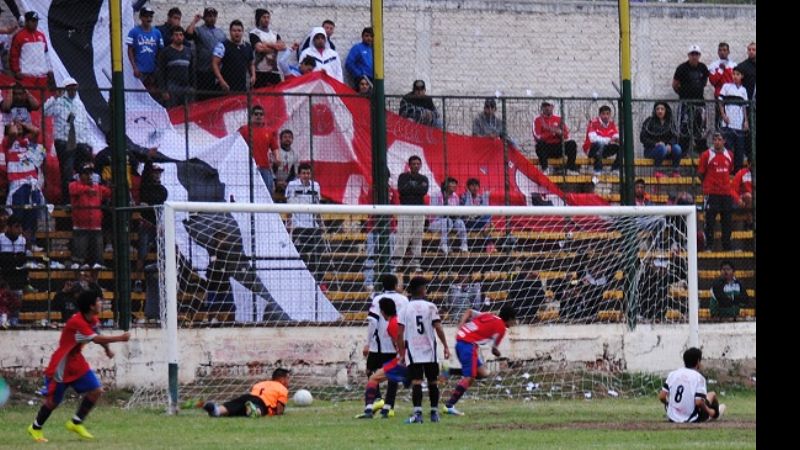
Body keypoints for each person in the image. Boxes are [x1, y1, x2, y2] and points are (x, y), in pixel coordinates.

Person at [27, 289, 131, 442]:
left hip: (76, 361)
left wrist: (108, 350)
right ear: (91, 306)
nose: (101, 303)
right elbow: (96, 339)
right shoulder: (77, 322)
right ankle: (35, 428)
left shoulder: (93, 320)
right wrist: (121, 338)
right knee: (53, 402)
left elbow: (97, 336)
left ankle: (76, 422)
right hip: (62, 364)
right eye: (98, 301)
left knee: (96, 390)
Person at [443, 305, 517, 416]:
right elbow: (494, 349)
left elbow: (468, 311)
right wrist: (498, 353)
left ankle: (449, 371)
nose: (514, 323)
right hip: (469, 345)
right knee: (469, 377)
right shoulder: (501, 328)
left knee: (483, 373)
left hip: (461, 341)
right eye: (514, 320)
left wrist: (460, 326)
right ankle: (449, 406)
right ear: (510, 319)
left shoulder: (489, 315)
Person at [396, 277, 450, 424]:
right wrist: (445, 345)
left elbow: (399, 333)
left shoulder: (405, 308)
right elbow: (438, 327)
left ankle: (418, 414)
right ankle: (434, 413)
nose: (426, 290)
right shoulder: (430, 306)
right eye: (425, 287)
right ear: (420, 289)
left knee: (417, 382)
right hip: (430, 350)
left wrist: (402, 352)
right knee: (433, 382)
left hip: (413, 350)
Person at [359, 273, 409, 418]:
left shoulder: (378, 299)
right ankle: (389, 406)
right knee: (393, 375)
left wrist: (368, 343)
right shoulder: (404, 300)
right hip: (396, 345)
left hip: (378, 345)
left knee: (370, 371)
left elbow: (373, 322)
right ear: (396, 285)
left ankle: (378, 399)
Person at [43, 77, 93, 201]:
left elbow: (84, 124)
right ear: (64, 89)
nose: (72, 91)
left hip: (80, 141)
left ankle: (83, 197)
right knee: (67, 171)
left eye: (74, 88)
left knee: (84, 169)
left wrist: (88, 142)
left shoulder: (79, 103)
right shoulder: (57, 101)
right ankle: (67, 200)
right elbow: (45, 112)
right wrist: (54, 97)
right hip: (64, 141)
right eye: (69, 88)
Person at [658, 347, 725, 423]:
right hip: (692, 418)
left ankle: (714, 412)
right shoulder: (699, 378)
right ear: (698, 362)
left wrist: (670, 405)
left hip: (672, 417)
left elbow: (662, 396)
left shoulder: (673, 374)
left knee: (708, 396)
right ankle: (715, 414)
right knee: (712, 394)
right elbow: (698, 402)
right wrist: (709, 411)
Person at [69, 163, 112, 270]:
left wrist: (109, 183)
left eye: (90, 173)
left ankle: (96, 270)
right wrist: (87, 189)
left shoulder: (97, 187)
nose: (89, 176)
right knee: (79, 257)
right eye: (86, 174)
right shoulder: (74, 185)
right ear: (80, 175)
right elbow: (72, 189)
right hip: (80, 226)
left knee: (97, 255)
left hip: (95, 226)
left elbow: (109, 192)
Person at [286, 163, 325, 276]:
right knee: (300, 252)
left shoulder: (316, 186)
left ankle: (316, 276)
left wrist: (321, 223)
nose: (306, 175)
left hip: (313, 226)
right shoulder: (292, 185)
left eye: (308, 173)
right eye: (303, 173)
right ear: (299, 175)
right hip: (299, 226)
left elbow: (317, 207)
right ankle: (303, 276)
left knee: (319, 250)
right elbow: (288, 205)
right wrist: (289, 223)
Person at [202, 368, 290, 418]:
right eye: (287, 379)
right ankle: (255, 410)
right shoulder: (282, 389)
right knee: (260, 408)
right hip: (261, 402)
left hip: (248, 396)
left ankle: (215, 410)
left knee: (232, 406)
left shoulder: (260, 383)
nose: (288, 382)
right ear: (282, 379)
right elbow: (279, 410)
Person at [697, 132, 734, 251]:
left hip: (726, 193)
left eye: (719, 139)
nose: (717, 141)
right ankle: (709, 246)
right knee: (710, 221)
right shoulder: (706, 155)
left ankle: (727, 246)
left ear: (724, 141)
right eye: (715, 139)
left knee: (727, 221)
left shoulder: (730, 155)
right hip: (711, 193)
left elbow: (730, 170)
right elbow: (700, 173)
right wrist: (708, 186)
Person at [393, 155, 429, 270]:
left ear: (421, 165)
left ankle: (415, 263)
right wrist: (414, 188)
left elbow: (423, 191)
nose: (416, 166)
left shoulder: (424, 178)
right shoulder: (403, 177)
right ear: (409, 165)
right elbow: (401, 190)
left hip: (419, 210)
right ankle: (397, 263)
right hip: (405, 209)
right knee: (403, 236)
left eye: (418, 164)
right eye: (413, 164)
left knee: (417, 237)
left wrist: (411, 187)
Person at [673, 45, 710, 154]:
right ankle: (683, 152)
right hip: (686, 103)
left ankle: (701, 151)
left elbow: (705, 81)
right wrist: (683, 95)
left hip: (699, 103)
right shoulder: (681, 68)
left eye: (696, 54)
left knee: (700, 127)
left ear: (699, 56)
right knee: (685, 127)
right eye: (692, 54)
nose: (694, 56)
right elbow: (675, 84)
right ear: (688, 55)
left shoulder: (703, 67)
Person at [185, 7, 226, 100]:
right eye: (209, 16)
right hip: (203, 71)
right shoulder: (199, 30)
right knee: (203, 98)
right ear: (204, 18)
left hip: (218, 73)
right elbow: (188, 35)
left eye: (213, 16)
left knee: (216, 99)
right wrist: (195, 21)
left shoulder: (221, 33)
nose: (211, 18)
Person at [238, 105, 279, 193]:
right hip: (247, 167)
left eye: (261, 114)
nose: (259, 116)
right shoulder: (244, 130)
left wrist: (277, 159)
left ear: (264, 116)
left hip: (265, 167)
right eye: (256, 114)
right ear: (251, 116)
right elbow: (236, 145)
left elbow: (274, 148)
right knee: (248, 192)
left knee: (267, 192)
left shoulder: (269, 131)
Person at [533, 100, 579, 175]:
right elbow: (537, 136)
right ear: (542, 108)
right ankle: (545, 169)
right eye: (545, 106)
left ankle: (570, 168)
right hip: (546, 147)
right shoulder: (538, 120)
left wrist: (560, 133)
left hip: (558, 146)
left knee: (572, 144)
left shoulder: (559, 119)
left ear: (552, 107)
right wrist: (552, 132)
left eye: (549, 106)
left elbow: (566, 135)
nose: (547, 108)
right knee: (539, 145)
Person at [9, 11, 53, 89]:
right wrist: (16, 71)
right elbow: (14, 55)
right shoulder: (19, 36)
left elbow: (46, 54)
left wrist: (49, 69)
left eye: (36, 21)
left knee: (43, 99)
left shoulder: (41, 36)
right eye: (33, 21)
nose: (35, 23)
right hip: (26, 76)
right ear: (26, 21)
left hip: (42, 76)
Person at [126, 7, 163, 96]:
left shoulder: (157, 33)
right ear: (141, 18)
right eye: (146, 16)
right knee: (139, 94)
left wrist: (158, 67)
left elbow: (161, 51)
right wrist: (134, 67)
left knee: (153, 94)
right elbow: (130, 50)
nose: (149, 19)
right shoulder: (134, 32)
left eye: (150, 16)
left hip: (153, 70)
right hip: (140, 70)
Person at [718, 67, 749, 173]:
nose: (735, 76)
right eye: (734, 74)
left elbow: (745, 107)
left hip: (739, 123)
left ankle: (737, 172)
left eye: (738, 74)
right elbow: (720, 102)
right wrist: (723, 115)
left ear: (742, 76)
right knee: (728, 148)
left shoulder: (743, 90)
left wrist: (746, 121)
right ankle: (726, 170)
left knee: (739, 149)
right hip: (728, 123)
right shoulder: (726, 87)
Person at [639, 101, 682, 177]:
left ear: (666, 111)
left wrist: (670, 144)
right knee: (661, 148)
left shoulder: (670, 122)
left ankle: (676, 171)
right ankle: (657, 171)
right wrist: (655, 144)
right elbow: (642, 138)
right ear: (655, 111)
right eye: (657, 109)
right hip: (652, 150)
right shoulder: (649, 121)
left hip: (667, 150)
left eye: (662, 109)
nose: (660, 111)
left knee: (677, 148)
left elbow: (675, 136)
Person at [212, 20, 255, 92]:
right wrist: (221, 81)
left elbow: (251, 64)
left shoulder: (247, 47)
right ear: (230, 31)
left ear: (243, 32)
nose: (237, 33)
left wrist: (253, 75)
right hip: (226, 87)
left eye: (239, 30)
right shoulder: (222, 46)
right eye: (234, 30)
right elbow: (214, 64)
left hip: (241, 87)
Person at [429, 177, 468, 255]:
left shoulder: (455, 196)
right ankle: (443, 245)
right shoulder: (436, 195)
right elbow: (433, 212)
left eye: (455, 184)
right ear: (446, 185)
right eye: (452, 183)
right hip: (436, 222)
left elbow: (457, 211)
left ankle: (464, 246)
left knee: (460, 222)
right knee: (447, 221)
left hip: (451, 221)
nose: (454, 185)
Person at [250, 9, 286, 88]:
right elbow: (259, 48)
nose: (266, 19)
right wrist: (275, 47)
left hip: (274, 71)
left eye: (268, 17)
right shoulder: (254, 33)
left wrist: (265, 44)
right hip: (259, 71)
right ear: (259, 18)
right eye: (264, 17)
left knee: (276, 94)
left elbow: (283, 47)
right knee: (259, 95)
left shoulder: (274, 34)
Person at [582, 105, 621, 175]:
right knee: (599, 144)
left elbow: (616, 136)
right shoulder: (593, 123)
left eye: (608, 114)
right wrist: (609, 140)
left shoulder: (612, 124)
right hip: (591, 149)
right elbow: (593, 139)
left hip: (604, 149)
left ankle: (615, 169)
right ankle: (597, 169)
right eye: (603, 114)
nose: (606, 116)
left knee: (622, 146)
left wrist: (616, 139)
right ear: (599, 115)